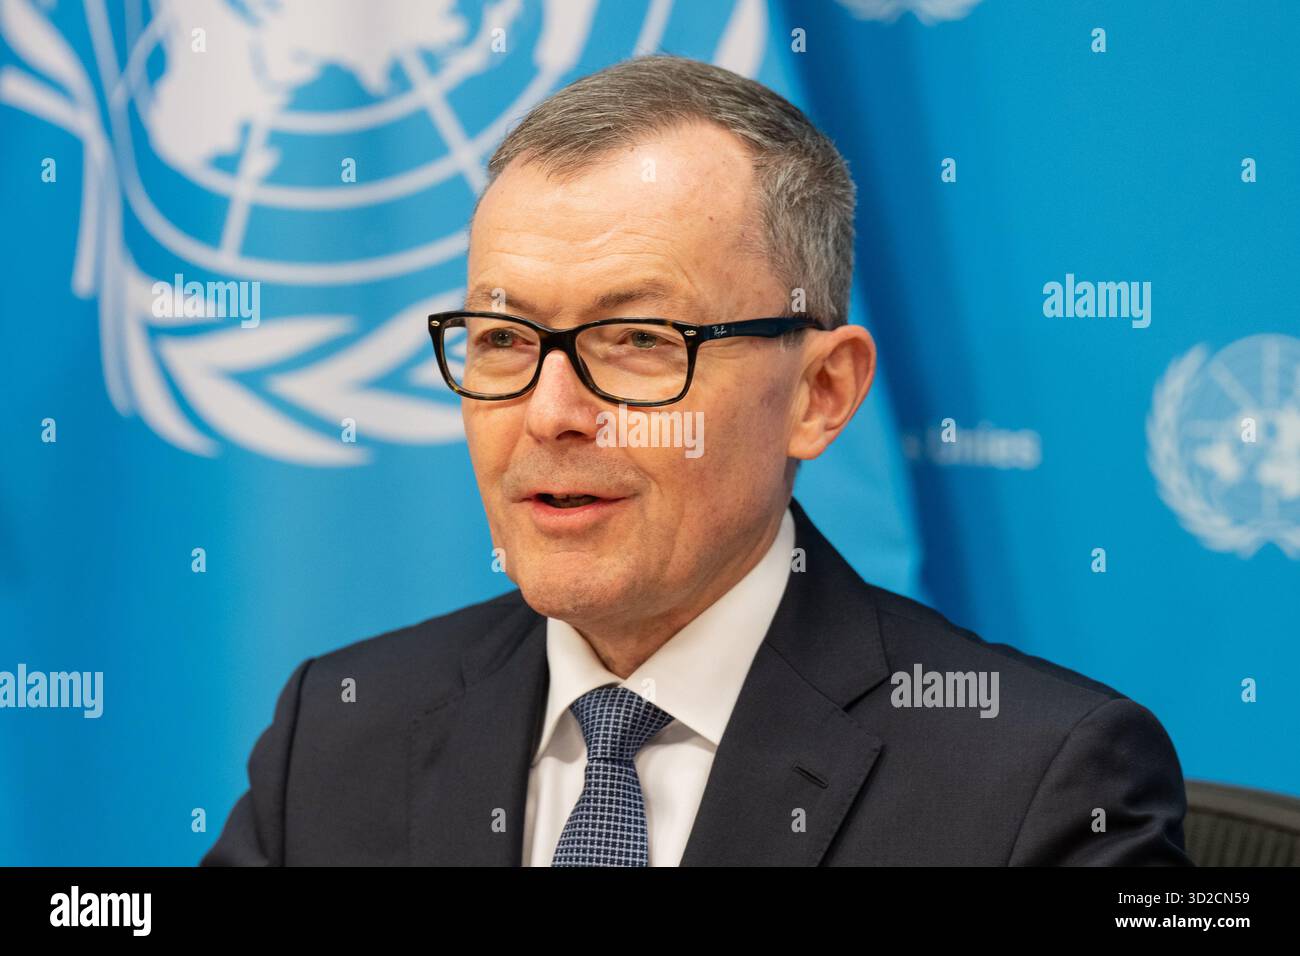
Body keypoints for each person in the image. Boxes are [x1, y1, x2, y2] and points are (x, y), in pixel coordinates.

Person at [201, 53, 1191, 866]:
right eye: (502, 340)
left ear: (820, 394)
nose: (551, 413)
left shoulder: (1040, 784)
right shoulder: (338, 731)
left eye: (635, 339)